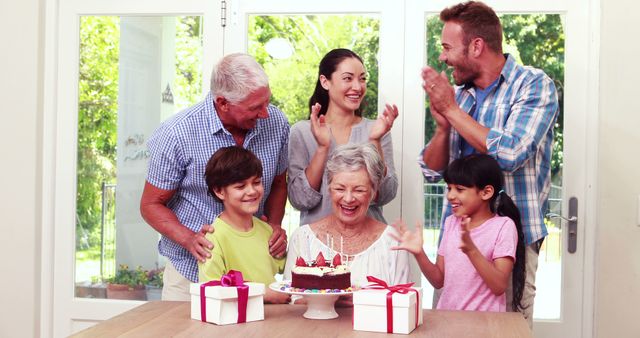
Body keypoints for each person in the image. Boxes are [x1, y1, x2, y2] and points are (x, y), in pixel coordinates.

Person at [419, 1, 559, 325]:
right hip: (457, 237)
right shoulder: (460, 95)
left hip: (511, 243)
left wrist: (452, 111)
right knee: (446, 327)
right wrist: (442, 129)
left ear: (477, 46)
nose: (442, 57)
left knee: (506, 329)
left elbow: (510, 153)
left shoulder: (534, 85)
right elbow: (430, 171)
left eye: (447, 47)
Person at [140, 53, 290, 301]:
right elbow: (150, 205)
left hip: (255, 272)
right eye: (255, 107)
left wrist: (274, 226)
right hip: (191, 274)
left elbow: (278, 184)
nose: (265, 113)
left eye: (267, 102)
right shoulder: (176, 135)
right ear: (222, 103)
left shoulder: (276, 123)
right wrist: (190, 239)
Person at [392, 154, 525, 312]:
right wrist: (419, 253)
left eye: (459, 189)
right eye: (449, 188)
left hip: (484, 325)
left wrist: (471, 250)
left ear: (486, 192)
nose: (450, 195)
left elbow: (499, 286)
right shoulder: (451, 223)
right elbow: (438, 280)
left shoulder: (504, 226)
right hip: (449, 320)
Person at [288, 48, 399, 225]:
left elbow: (384, 195)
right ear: (325, 81)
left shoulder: (376, 130)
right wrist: (323, 148)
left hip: (368, 244)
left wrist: (375, 141)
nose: (357, 87)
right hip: (317, 246)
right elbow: (300, 199)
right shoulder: (301, 131)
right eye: (348, 78)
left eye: (362, 79)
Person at [284, 143, 410, 292]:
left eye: (359, 190)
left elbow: (402, 303)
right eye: (340, 189)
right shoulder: (302, 239)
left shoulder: (393, 241)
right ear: (329, 189)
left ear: (374, 192)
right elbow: (290, 299)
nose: (348, 199)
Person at [198, 146, 290, 304]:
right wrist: (261, 293)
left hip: (272, 319)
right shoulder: (213, 238)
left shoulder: (267, 230)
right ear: (219, 191)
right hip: (235, 323)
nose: (252, 191)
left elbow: (284, 270)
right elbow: (211, 289)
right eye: (240, 186)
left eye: (256, 182)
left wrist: (283, 253)